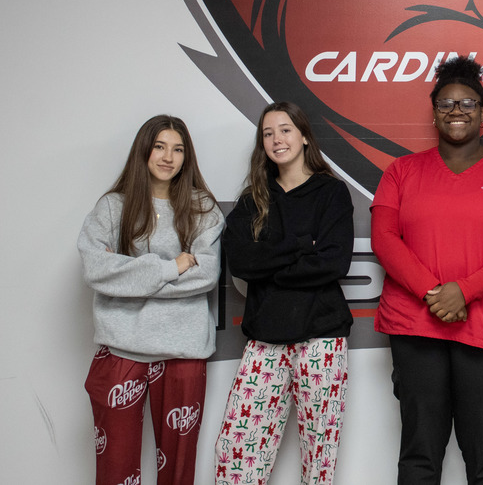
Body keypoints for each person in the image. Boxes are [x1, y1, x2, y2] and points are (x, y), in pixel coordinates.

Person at [371, 55, 483, 485]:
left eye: (467, 103)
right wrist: (435, 293)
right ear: (434, 113)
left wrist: (462, 292)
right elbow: (384, 239)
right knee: (419, 455)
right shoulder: (401, 171)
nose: (456, 111)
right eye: (446, 104)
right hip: (415, 326)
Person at [214, 102, 354, 485]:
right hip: (265, 340)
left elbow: (333, 263)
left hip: (321, 340)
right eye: (268, 133)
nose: (277, 139)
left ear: (304, 136)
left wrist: (268, 265)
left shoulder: (331, 193)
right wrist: (301, 246)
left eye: (286, 129)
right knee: (237, 454)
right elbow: (241, 262)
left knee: (319, 458)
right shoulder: (253, 199)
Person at [80, 115, 224, 485]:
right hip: (121, 350)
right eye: (159, 146)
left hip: (183, 352)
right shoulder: (113, 207)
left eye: (178, 149)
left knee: (178, 472)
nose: (168, 157)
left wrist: (127, 274)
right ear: (144, 150)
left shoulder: (203, 208)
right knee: (115, 470)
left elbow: (206, 275)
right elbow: (96, 270)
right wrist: (172, 267)